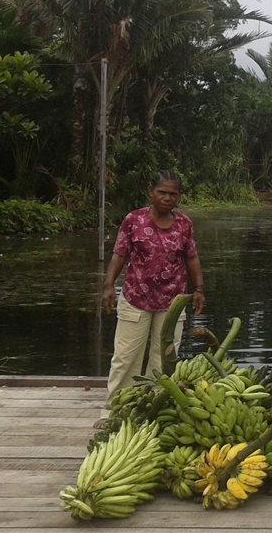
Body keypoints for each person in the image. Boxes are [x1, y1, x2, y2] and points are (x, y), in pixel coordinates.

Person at [99, 170, 205, 425]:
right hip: (136, 298)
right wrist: (108, 285)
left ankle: (153, 409)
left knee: (164, 358)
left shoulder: (184, 224)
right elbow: (119, 254)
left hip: (173, 302)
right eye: (162, 192)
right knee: (126, 357)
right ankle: (114, 411)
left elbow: (191, 258)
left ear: (178, 196)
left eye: (173, 194)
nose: (167, 198)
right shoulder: (134, 220)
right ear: (151, 192)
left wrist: (199, 289)